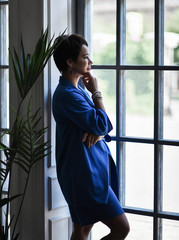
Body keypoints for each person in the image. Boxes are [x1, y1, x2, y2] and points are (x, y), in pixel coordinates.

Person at [52, 34, 130, 240]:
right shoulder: (68, 95)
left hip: (87, 170)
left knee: (82, 229)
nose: (90, 61)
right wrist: (96, 92)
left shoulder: (77, 90)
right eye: (85, 57)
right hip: (85, 175)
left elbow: (100, 125)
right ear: (69, 62)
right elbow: (102, 123)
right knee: (122, 228)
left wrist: (97, 129)